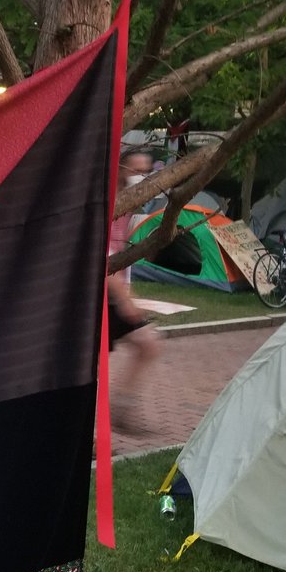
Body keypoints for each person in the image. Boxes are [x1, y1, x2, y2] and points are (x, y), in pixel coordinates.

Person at [107, 151, 160, 432]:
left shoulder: (129, 206)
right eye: (137, 169)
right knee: (94, 367)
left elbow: (121, 252)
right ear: (120, 167)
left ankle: (121, 409)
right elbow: (103, 255)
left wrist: (128, 292)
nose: (142, 175)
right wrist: (124, 299)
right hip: (100, 295)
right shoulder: (107, 200)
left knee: (148, 344)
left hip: (116, 293)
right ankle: (90, 434)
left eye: (147, 170)